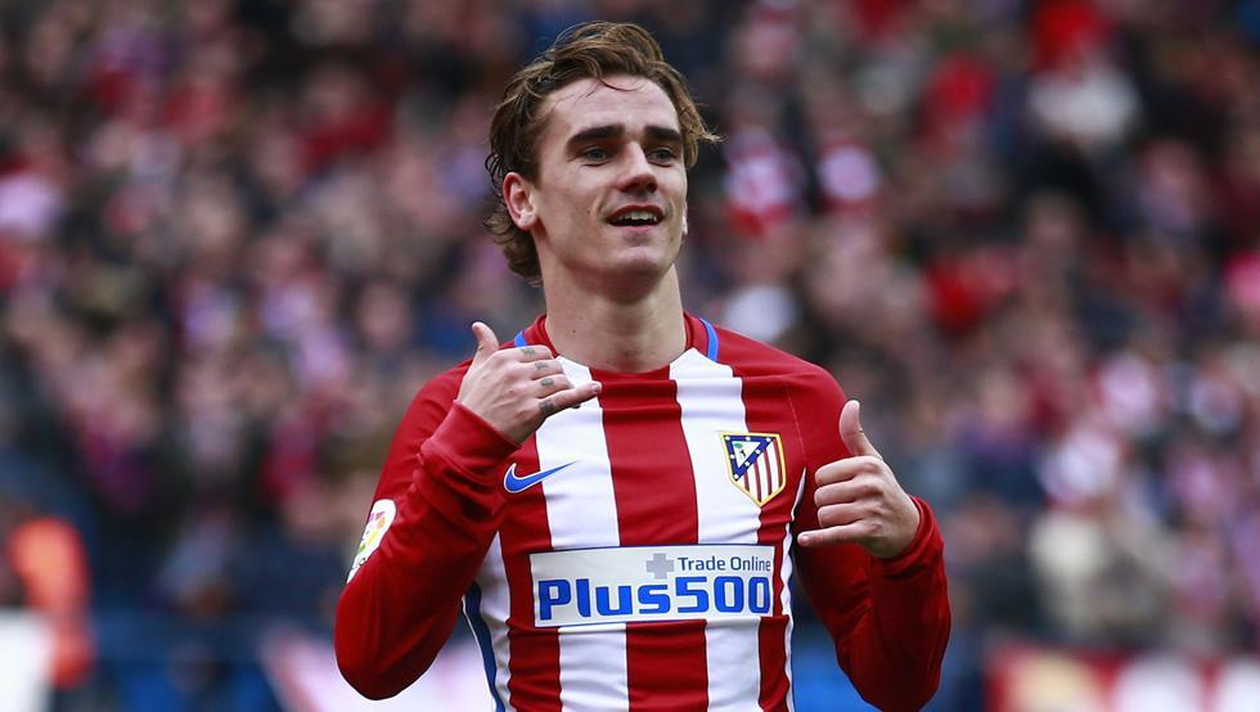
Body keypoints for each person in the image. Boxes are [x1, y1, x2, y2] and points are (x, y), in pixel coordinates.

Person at [334, 21, 949, 711]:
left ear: (684, 202)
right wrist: (466, 451)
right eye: (597, 152)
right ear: (523, 199)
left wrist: (908, 550)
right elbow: (371, 664)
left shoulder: (795, 400)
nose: (640, 172)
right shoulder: (467, 413)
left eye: (662, 151)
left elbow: (899, 685)